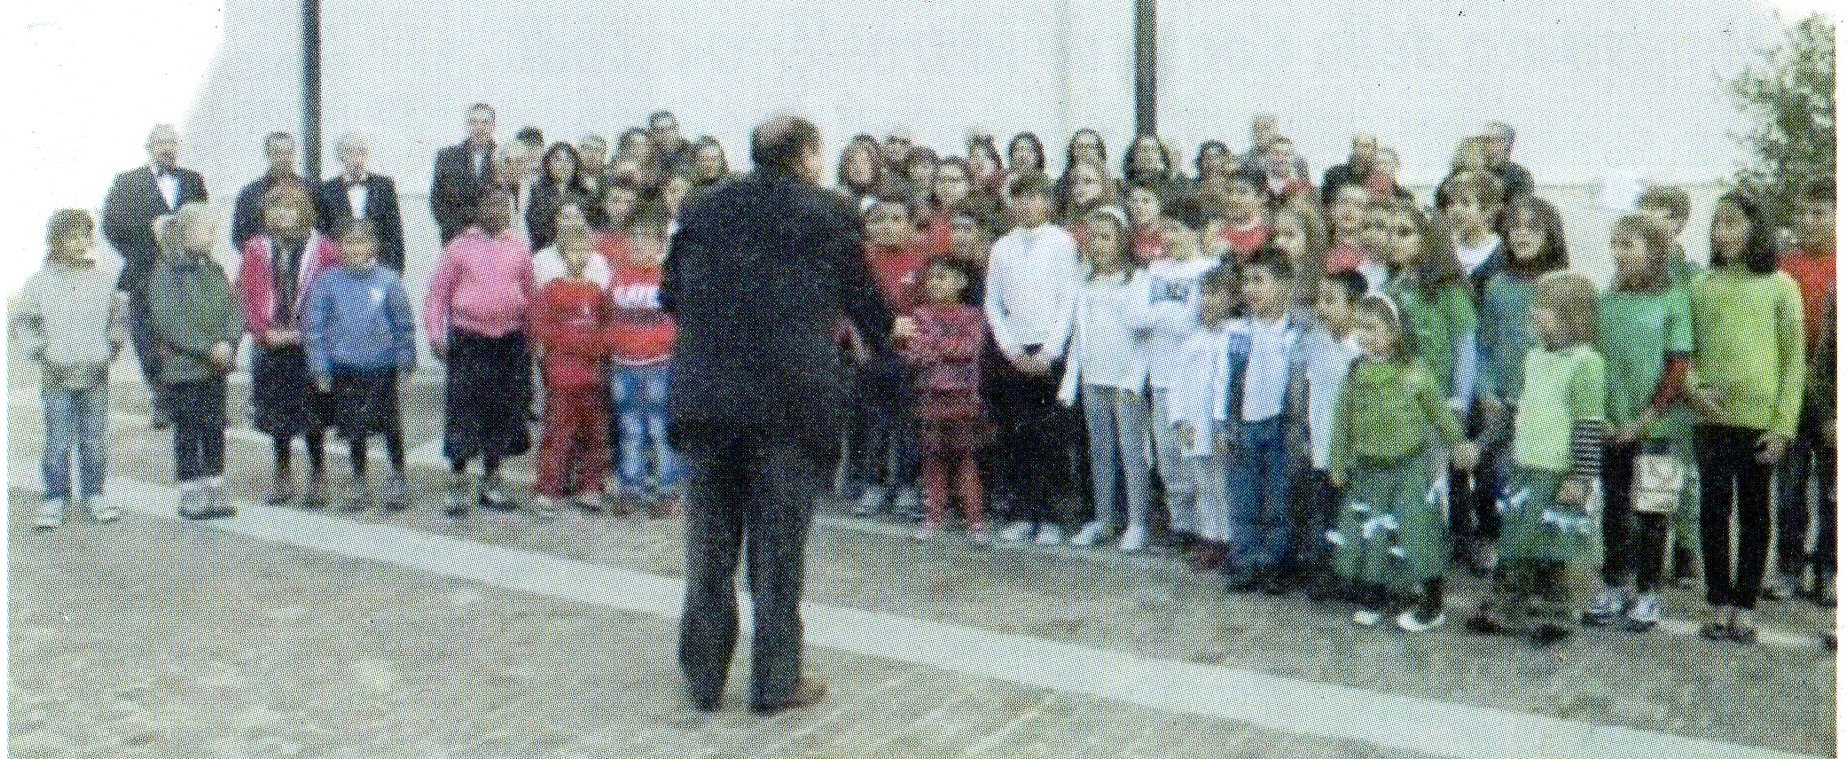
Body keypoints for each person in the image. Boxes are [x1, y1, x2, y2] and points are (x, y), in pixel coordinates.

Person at [664, 116, 890, 714]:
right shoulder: (832, 212)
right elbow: (862, 297)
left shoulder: (703, 206)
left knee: (709, 547)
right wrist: (888, 331)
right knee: (777, 550)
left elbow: (671, 293)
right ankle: (775, 683)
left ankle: (704, 678)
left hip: (710, 401)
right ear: (807, 155)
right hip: (790, 404)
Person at [1687, 192, 1805, 644]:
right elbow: (1686, 350)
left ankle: (1745, 605)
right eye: (1718, 224)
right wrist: (1695, 391)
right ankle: (1718, 601)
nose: (1725, 233)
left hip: (1761, 422)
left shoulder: (1780, 285)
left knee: (1755, 513)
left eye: (1734, 223)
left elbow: (1793, 361)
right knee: (1713, 510)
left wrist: (1783, 426)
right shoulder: (1701, 284)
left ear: (1756, 229)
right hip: (1712, 420)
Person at [1465, 272, 1605, 646]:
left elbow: (1588, 424)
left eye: (1544, 308)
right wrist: (1482, 444)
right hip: (1526, 469)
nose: (1535, 314)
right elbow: (1513, 409)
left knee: (1557, 547)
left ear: (1571, 316)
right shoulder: (1533, 358)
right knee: (1517, 541)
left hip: (1559, 473)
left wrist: (1580, 476)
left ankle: (1556, 613)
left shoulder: (1586, 363)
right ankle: (1507, 605)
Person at [1328, 295, 1477, 631]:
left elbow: (1438, 412)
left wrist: (1459, 442)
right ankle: (1378, 594)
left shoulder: (1413, 371)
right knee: (1372, 531)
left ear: (1394, 332)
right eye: (1360, 327)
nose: (1364, 335)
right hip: (1369, 469)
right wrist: (1338, 462)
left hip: (1409, 467)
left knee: (1417, 530)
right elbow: (1342, 422)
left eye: (1372, 328)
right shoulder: (1355, 373)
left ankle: (1432, 602)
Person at [1580, 215, 1693, 633]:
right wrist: (1605, 418)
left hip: (1658, 429)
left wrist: (1646, 419)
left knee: (1653, 511)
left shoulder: (1674, 300)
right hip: (1613, 428)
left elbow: (1678, 366)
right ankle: (1613, 584)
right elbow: (1595, 362)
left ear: (1655, 251)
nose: (1618, 253)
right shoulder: (1606, 301)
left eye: (1627, 244)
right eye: (1615, 244)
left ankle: (1648, 591)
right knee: (1614, 509)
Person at [1470, 194, 1568, 573]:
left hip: (1547, 407)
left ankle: (1546, 562)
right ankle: (1498, 547)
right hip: (1505, 402)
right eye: (1515, 228)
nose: (1522, 235)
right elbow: (1484, 345)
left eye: (1532, 228)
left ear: (1550, 235)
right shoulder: (1497, 286)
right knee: (1496, 478)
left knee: (1541, 480)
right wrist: (1486, 389)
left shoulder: (1562, 287)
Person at [425, 186, 535, 518]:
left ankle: (492, 479)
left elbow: (530, 294)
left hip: (509, 342)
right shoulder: (458, 248)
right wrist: (436, 334)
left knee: (501, 411)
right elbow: (438, 295)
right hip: (469, 340)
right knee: (465, 410)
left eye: (504, 205)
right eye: (491, 204)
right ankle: (458, 479)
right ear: (478, 209)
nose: (497, 211)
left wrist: (533, 336)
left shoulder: (519, 247)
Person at [984, 172, 1081, 545]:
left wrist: (1051, 350)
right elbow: (994, 303)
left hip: (1049, 351)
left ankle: (1051, 517)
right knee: (1018, 435)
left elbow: (1068, 298)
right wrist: (1010, 349)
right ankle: (1023, 513)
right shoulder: (1002, 247)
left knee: (1049, 437)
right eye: (1020, 198)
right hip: (1014, 352)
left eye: (1035, 198)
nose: (1027, 205)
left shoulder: (1062, 243)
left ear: (1048, 202)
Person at [15, 210, 126, 529]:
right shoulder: (39, 283)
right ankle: (54, 497)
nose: (79, 243)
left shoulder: (103, 281)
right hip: (57, 375)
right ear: (56, 241)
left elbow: (117, 319)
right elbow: (25, 322)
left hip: (95, 374)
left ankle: (94, 494)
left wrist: (110, 347)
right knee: (58, 440)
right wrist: (41, 351)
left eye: (84, 236)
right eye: (71, 237)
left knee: (94, 440)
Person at [238, 183, 342, 508]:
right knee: (277, 413)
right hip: (272, 344)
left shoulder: (324, 249)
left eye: (290, 208)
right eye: (276, 208)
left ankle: (318, 472)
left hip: (309, 344)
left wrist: (309, 333)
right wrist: (264, 332)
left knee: (313, 412)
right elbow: (248, 294)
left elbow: (332, 296)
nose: (283, 214)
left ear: (304, 212)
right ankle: (282, 470)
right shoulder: (257, 249)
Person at [1060, 208, 1156, 552]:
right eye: (1093, 237)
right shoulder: (1084, 280)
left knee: (1132, 451)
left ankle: (1138, 522)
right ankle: (1103, 518)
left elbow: (1144, 336)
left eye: (1106, 237)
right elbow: (1079, 333)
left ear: (1121, 241)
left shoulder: (1137, 280)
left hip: (1125, 378)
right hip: (1093, 374)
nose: (1098, 244)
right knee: (1099, 449)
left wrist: (1134, 378)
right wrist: (1072, 378)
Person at [305, 219, 417, 511]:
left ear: (374, 246)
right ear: (340, 247)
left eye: (362, 241)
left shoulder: (389, 281)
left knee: (390, 425)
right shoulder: (327, 282)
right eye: (350, 242)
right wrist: (320, 366)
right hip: (346, 369)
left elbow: (403, 324)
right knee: (354, 428)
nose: (356, 248)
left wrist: (406, 361)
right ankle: (358, 478)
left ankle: (397, 474)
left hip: (382, 368)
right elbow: (315, 327)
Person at [102, 123, 208, 430]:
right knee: (148, 337)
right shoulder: (128, 182)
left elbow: (203, 221)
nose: (167, 148)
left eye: (172, 143)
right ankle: (160, 397)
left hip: (185, 273)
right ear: (149, 148)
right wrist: (143, 245)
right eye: (161, 143)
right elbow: (112, 226)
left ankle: (187, 397)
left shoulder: (192, 180)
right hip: (144, 272)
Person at [1222, 250, 1311, 595]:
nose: (1251, 289)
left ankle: (1274, 562)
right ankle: (1245, 560)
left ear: (1284, 285)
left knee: (1278, 497)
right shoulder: (1238, 330)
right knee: (1243, 495)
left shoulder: (1297, 331)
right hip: (1244, 421)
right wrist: (1221, 423)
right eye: (1247, 281)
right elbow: (1223, 378)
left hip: (1281, 424)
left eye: (1260, 281)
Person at [148, 202, 243, 520]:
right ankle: (191, 491)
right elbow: (169, 321)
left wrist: (229, 341)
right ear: (186, 233)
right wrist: (206, 348)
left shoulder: (214, 270)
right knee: (188, 429)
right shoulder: (165, 273)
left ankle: (215, 485)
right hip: (184, 369)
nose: (213, 236)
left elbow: (233, 308)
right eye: (207, 229)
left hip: (216, 367)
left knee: (215, 427)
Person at [1143, 196, 1219, 568]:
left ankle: (1206, 530)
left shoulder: (1208, 269)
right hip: (1161, 375)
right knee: (1167, 455)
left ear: (1196, 231)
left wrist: (1162, 314)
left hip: (1194, 379)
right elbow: (1141, 316)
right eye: (1165, 229)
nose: (1169, 237)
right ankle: (1180, 523)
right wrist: (1162, 315)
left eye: (1176, 229)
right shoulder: (1155, 270)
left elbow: (1188, 321)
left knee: (1195, 456)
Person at [1633, 184, 1702, 588]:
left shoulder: (1691, 275)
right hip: (1644, 390)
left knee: (1683, 476)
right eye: (1641, 209)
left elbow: (1693, 338)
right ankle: (1650, 554)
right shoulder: (1631, 274)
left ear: (1677, 223)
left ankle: (1686, 551)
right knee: (1649, 473)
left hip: (1680, 392)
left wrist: (1688, 386)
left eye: (1654, 211)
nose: (1645, 217)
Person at [1772, 177, 1836, 603]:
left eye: (1819, 213)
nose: (1808, 221)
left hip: (1832, 393)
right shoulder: (1784, 266)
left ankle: (1830, 570)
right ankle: (1788, 568)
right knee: (1790, 488)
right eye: (1803, 213)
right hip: (1793, 388)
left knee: (1834, 490)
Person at [897, 258, 990, 541]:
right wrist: (938, 348)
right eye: (932, 278)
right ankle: (932, 518)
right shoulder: (920, 314)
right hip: (930, 399)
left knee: (966, 460)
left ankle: (976, 522)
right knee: (933, 459)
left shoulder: (973, 315)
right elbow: (913, 353)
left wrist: (934, 345)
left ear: (961, 282)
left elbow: (968, 348)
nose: (935, 284)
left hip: (963, 400)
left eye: (942, 277)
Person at [850, 195, 930, 518]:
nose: (888, 226)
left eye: (897, 219)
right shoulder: (864, 261)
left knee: (910, 423)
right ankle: (873, 484)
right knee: (876, 422)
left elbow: (930, 305)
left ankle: (908, 486)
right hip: (873, 353)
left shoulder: (922, 262)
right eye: (880, 220)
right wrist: (860, 343)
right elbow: (852, 308)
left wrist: (915, 336)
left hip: (911, 354)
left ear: (910, 225)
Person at [531, 227, 616, 518]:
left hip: (591, 377)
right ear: (563, 254)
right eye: (572, 250)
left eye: (583, 250)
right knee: (558, 434)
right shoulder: (552, 290)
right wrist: (570, 345)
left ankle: (590, 487)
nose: (578, 256)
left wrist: (596, 350)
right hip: (562, 377)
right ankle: (549, 487)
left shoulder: (597, 292)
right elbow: (543, 328)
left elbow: (607, 328)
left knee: (595, 434)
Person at [1293, 270, 1366, 597]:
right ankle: (1324, 572)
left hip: (1352, 451)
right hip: (1320, 445)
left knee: (1352, 514)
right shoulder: (1315, 343)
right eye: (1320, 300)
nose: (1322, 308)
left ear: (1354, 307)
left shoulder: (1361, 352)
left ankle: (1355, 575)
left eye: (1331, 301)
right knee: (1322, 512)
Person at [608, 210, 683, 514]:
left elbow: (679, 319)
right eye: (634, 238)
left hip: (659, 366)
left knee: (660, 429)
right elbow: (608, 317)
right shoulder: (618, 277)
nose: (638, 244)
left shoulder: (667, 279)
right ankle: (631, 487)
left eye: (646, 239)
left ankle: (667, 490)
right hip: (623, 366)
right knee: (629, 430)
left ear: (659, 244)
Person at [1169, 264, 1243, 568]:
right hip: (1196, 424)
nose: (1210, 301)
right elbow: (1177, 385)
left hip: (1221, 425)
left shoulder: (1236, 336)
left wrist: (1226, 425)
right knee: (1203, 484)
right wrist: (1180, 420)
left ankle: (1229, 540)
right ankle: (1209, 537)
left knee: (1224, 483)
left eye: (1218, 294)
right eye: (1206, 294)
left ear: (1232, 299)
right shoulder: (1192, 341)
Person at [315, 132, 406, 271]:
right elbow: (323, 236)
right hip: (338, 269)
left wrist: (395, 272)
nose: (357, 159)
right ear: (340, 156)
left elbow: (395, 232)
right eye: (350, 152)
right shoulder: (326, 189)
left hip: (379, 268)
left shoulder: (384, 186)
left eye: (361, 152)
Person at [430, 103, 499, 245]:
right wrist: (460, 231)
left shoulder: (502, 157)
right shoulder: (447, 157)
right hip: (455, 238)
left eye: (485, 123)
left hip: (493, 240)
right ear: (467, 125)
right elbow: (437, 200)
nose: (479, 128)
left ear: (493, 126)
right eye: (473, 122)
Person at [231, 132, 307, 250]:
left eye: (288, 152)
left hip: (306, 259)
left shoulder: (309, 190)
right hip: (263, 258)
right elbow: (239, 237)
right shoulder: (249, 194)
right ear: (268, 155)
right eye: (277, 153)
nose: (283, 158)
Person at [527, 141, 605, 252]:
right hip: (545, 251)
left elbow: (595, 225)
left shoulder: (585, 193)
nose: (563, 165)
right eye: (558, 160)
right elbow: (535, 228)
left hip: (579, 251)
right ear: (548, 164)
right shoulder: (536, 192)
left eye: (568, 160)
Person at [1219, 168, 1272, 261]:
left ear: (1262, 197)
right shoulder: (1221, 234)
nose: (1233, 198)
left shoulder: (1269, 234)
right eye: (1230, 191)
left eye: (1242, 192)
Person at [1480, 121, 1535, 199]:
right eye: (1486, 140)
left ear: (1509, 146)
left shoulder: (1520, 175)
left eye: (1498, 141)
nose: (1490, 145)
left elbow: (1521, 204)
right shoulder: (1468, 170)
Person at [1321, 134, 1379, 206]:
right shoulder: (1335, 174)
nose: (1363, 150)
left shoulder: (1379, 178)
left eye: (1367, 146)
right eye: (1360, 145)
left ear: (1374, 151)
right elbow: (1325, 203)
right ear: (1354, 148)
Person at [650, 110, 693, 175]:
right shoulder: (648, 156)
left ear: (677, 128)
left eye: (670, 129)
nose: (666, 134)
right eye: (660, 131)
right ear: (653, 133)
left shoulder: (693, 153)